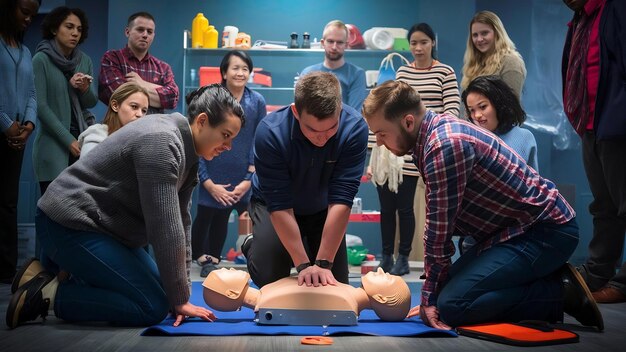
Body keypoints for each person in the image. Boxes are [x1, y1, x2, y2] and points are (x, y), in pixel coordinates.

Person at [362, 80, 604, 331]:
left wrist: (429, 299)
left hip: (545, 232)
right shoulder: (431, 135)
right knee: (445, 291)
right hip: (515, 232)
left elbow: (439, 230)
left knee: (453, 305)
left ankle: (560, 292)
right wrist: (434, 289)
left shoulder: (444, 145)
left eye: (381, 133)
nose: (379, 142)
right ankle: (537, 277)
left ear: (408, 122)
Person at [6, 84, 245, 329]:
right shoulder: (163, 141)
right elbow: (165, 229)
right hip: (67, 223)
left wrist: (179, 296)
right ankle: (48, 295)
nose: (228, 147)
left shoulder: (187, 150)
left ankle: (42, 275)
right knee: (151, 306)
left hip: (101, 229)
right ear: (203, 121)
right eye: (226, 135)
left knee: (167, 293)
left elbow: (182, 224)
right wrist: (180, 299)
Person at [243, 71, 369, 289]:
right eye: (312, 129)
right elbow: (280, 205)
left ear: (340, 109)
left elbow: (342, 199)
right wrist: (303, 265)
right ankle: (252, 244)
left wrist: (322, 263)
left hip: (322, 208)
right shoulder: (270, 132)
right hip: (274, 206)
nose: (322, 137)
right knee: (270, 276)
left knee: (332, 284)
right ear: (296, 112)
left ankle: (310, 249)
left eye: (331, 128)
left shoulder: (355, 128)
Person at [366, 22, 461, 275]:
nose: (418, 48)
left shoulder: (445, 72)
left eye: (423, 42)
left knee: (405, 207)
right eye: (414, 43)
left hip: (423, 145)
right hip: (394, 152)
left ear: (433, 43)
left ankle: (404, 257)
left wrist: (434, 132)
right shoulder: (403, 72)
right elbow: (390, 107)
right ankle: (387, 255)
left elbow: (452, 108)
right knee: (387, 208)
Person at [562, 0, 626, 304]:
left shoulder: (615, 8)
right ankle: (599, 272)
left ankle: (625, 282)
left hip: (617, 124)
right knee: (603, 205)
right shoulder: (580, 20)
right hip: (590, 125)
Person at [191, 50, 266, 277]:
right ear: (224, 72)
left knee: (258, 220)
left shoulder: (257, 102)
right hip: (212, 174)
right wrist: (208, 183)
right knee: (208, 218)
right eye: (235, 68)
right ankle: (207, 259)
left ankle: (260, 261)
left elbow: (259, 138)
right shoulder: (210, 99)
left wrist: (249, 179)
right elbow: (198, 140)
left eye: (245, 69)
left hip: (245, 175)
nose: (240, 73)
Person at [32, 6, 98, 196]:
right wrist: (68, 140)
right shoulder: (41, 60)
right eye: (69, 27)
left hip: (81, 143)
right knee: (50, 210)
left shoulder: (84, 60)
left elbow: (91, 102)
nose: (75, 33)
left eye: (79, 29)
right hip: (53, 146)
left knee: (76, 208)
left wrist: (84, 88)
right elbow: (41, 107)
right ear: (54, 29)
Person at [202, 267, 411, 323]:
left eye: (389, 278)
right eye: (225, 273)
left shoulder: (346, 299)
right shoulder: (268, 294)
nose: (383, 271)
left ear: (382, 299)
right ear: (231, 293)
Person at [0, 0, 40, 284]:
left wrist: (27, 126)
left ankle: (5, 269)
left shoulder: (25, 51)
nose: (28, 19)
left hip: (17, 137)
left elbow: (32, 93)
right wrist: (6, 124)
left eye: (32, 15)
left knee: (8, 203)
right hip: (4, 129)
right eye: (24, 12)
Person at [98, 11, 178, 114]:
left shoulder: (163, 68)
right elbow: (120, 95)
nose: (145, 35)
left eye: (149, 32)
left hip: (155, 128)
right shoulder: (112, 59)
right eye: (140, 30)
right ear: (127, 32)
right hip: (121, 128)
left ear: (153, 35)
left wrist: (142, 83)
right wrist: (158, 90)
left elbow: (172, 98)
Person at [463, 75, 538, 170]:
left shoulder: (525, 137)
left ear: (498, 104)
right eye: (472, 110)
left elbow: (535, 183)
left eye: (482, 107)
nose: (477, 115)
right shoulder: (469, 142)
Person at [300, 20, 367, 112]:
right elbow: (302, 110)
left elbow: (354, 114)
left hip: (344, 125)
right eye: (330, 41)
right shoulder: (307, 73)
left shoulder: (356, 74)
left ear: (346, 45)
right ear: (323, 43)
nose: (334, 47)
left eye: (339, 42)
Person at [461, 10, 526, 100]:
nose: (479, 39)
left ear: (497, 33)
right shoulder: (472, 66)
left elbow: (512, 107)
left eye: (484, 33)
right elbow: (464, 106)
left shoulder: (511, 62)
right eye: (475, 35)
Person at [78, 82, 149, 158]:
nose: (140, 114)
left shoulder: (142, 143)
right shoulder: (96, 135)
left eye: (144, 111)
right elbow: (86, 169)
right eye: (134, 106)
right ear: (115, 106)